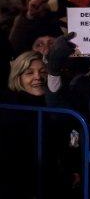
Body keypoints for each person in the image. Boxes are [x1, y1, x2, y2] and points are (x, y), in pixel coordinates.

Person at [0, 51, 79, 198]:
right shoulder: (9, 108)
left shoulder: (58, 104)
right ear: (18, 78)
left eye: (43, 72)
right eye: (29, 73)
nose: (38, 77)